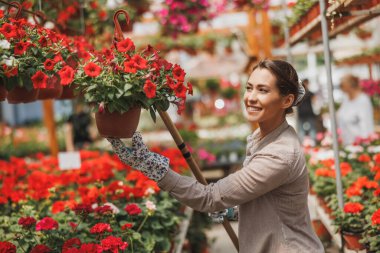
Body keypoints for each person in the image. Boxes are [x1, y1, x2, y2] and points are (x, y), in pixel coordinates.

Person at [107, 59, 324, 253]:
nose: (251, 97)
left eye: (263, 90)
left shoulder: (279, 154)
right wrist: (232, 211)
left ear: (287, 101)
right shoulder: (267, 137)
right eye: (249, 88)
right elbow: (270, 202)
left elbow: (209, 198)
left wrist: (149, 164)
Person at [337, 74, 375, 145]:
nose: (340, 87)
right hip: (347, 142)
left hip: (359, 144)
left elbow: (366, 124)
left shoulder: (363, 100)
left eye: (342, 84)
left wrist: (365, 143)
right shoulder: (346, 99)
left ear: (351, 85)